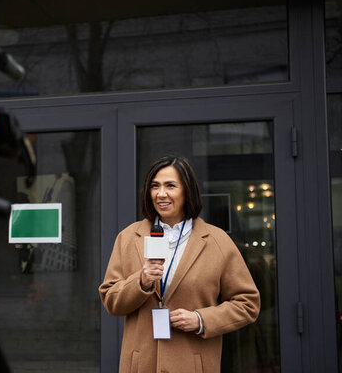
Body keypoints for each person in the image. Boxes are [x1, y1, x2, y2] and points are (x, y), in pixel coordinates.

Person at [99, 156, 260, 373]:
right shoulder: (128, 237)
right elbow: (110, 300)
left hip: (193, 365)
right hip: (141, 365)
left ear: (187, 192)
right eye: (155, 186)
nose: (161, 194)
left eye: (170, 186)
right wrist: (142, 281)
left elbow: (248, 304)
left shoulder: (216, 240)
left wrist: (201, 319)